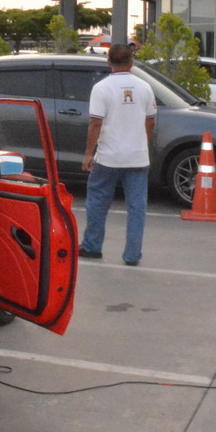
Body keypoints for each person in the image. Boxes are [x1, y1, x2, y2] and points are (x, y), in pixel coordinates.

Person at [79, 43, 156, 266]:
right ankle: (132, 255)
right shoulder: (145, 87)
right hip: (137, 157)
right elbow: (150, 121)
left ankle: (92, 247)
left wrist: (88, 154)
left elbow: (95, 123)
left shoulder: (101, 88)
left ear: (108, 62)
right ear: (131, 62)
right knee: (137, 208)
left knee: (98, 201)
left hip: (108, 157)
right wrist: (142, 144)